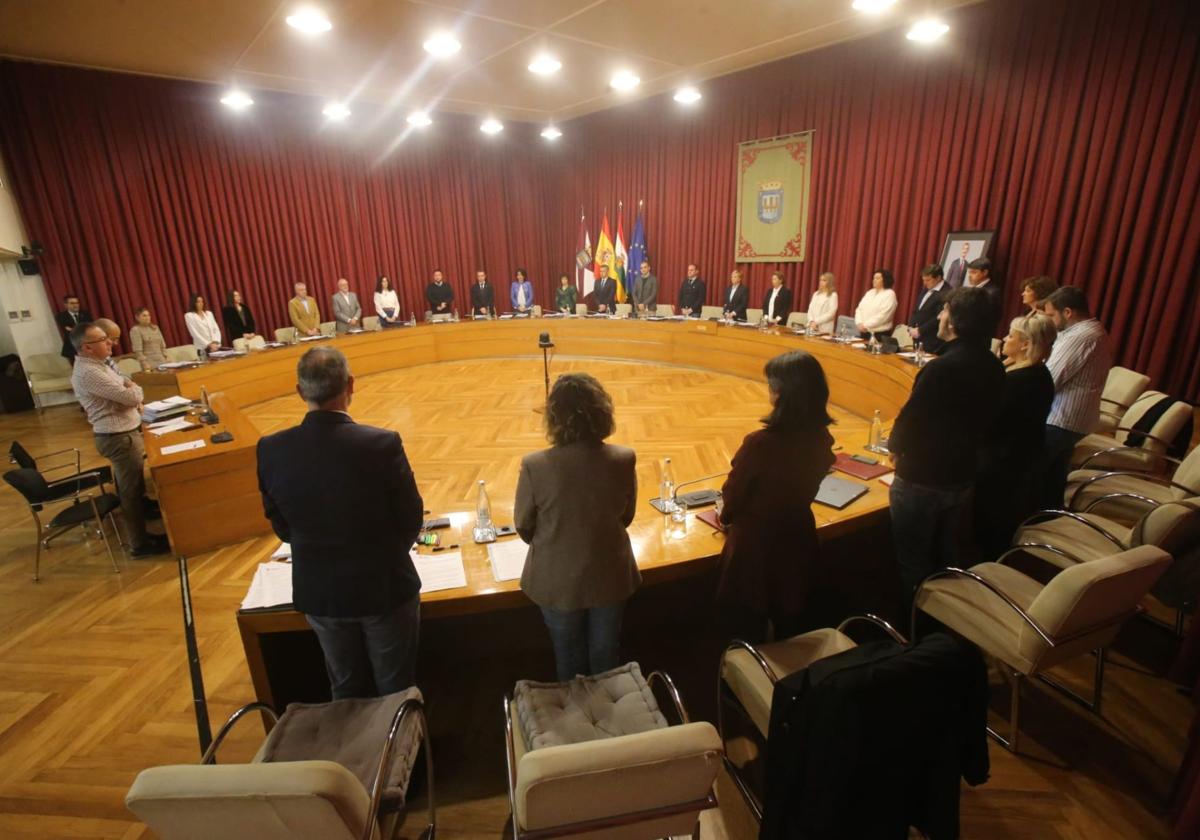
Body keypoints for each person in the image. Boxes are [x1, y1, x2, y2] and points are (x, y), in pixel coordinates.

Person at [257, 347, 424, 699]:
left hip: (320, 591)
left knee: (345, 687)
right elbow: (410, 518)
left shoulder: (270, 449)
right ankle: (403, 752)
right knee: (395, 690)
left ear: (301, 392)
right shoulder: (381, 444)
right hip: (384, 587)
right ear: (351, 385)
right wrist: (383, 554)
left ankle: (349, 753)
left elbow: (282, 526)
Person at [515, 372, 638, 681]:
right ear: (602, 412)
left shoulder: (535, 465)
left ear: (554, 417)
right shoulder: (623, 458)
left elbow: (523, 525)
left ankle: (577, 723)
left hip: (556, 578)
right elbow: (627, 515)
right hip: (610, 572)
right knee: (607, 656)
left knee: (568, 659)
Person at [888, 287, 1005, 608]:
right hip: (963, 475)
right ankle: (947, 618)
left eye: (944, 311)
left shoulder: (941, 368)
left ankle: (914, 626)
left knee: (913, 561)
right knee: (946, 555)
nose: (939, 316)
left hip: (921, 478)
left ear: (955, 322)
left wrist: (895, 448)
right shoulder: (995, 366)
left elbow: (911, 420)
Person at [716, 350, 835, 642]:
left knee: (747, 627)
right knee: (790, 618)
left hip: (756, 548)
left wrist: (726, 516)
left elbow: (733, 496)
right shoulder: (823, 439)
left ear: (780, 394)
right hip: (798, 535)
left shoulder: (760, 444)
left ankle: (751, 676)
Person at [69, 322, 168, 557]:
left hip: (124, 433)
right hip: (118, 438)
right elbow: (130, 396)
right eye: (103, 340)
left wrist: (130, 387)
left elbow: (125, 385)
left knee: (133, 488)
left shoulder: (99, 365)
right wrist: (134, 388)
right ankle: (139, 544)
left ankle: (141, 536)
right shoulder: (89, 372)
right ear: (87, 348)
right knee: (130, 494)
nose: (110, 342)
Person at [974, 313, 1057, 559]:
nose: (1004, 339)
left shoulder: (1019, 381)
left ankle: (987, 569)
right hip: (1019, 458)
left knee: (992, 523)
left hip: (1002, 464)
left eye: (1010, 335)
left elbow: (989, 423)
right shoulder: (1038, 373)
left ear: (1025, 344)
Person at [1039, 286, 1113, 509]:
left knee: (1036, 472)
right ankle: (1047, 516)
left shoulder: (1081, 336)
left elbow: (1049, 379)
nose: (1050, 320)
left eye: (1051, 315)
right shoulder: (1090, 330)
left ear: (1068, 312)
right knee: (1053, 477)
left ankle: (1031, 520)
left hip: (1062, 419)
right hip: (1073, 418)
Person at [907, 264, 947, 354]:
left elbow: (939, 317)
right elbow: (917, 309)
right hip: (917, 337)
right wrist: (910, 326)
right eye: (924, 280)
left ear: (938, 278)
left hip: (932, 339)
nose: (925, 283)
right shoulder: (927, 288)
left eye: (928, 280)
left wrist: (920, 330)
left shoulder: (946, 292)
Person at [854, 269, 899, 340]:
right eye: (874, 278)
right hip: (864, 332)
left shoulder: (890, 294)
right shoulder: (870, 292)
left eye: (877, 278)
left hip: (879, 334)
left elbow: (884, 316)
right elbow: (859, 309)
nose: (874, 280)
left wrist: (865, 325)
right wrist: (859, 323)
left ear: (885, 280)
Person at [56, 294, 92, 361]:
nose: (76, 305)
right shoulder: (61, 316)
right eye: (72, 303)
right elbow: (67, 330)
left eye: (77, 303)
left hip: (88, 345)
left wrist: (73, 329)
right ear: (66, 305)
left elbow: (90, 328)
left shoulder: (85, 314)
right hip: (72, 347)